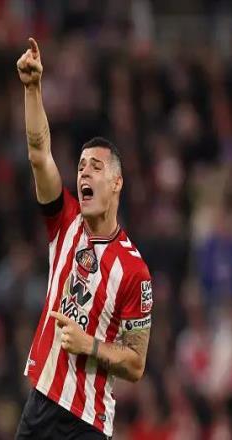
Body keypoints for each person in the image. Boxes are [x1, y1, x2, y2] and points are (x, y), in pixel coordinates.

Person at [14, 38, 153, 440]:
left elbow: (136, 363)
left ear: (117, 182)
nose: (84, 173)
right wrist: (32, 89)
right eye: (80, 167)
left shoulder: (135, 271)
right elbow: (39, 153)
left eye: (95, 167)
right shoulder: (65, 222)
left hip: (87, 422)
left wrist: (89, 345)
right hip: (40, 406)